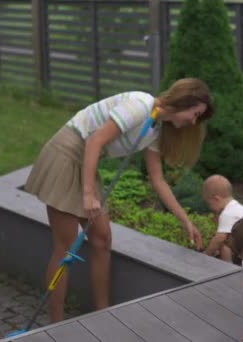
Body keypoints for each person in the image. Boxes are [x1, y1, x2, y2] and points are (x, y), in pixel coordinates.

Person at [24, 78, 215, 323]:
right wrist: (88, 193)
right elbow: (94, 140)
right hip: (67, 153)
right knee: (66, 245)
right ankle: (56, 324)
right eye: (195, 113)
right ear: (183, 102)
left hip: (86, 161)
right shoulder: (140, 105)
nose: (193, 121)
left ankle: (103, 314)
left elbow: (158, 180)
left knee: (102, 238)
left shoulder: (156, 127)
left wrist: (185, 221)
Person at [202, 174, 243, 263]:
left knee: (222, 242)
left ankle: (228, 267)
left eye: (210, 204)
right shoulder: (237, 207)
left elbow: (219, 239)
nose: (210, 208)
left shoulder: (227, 214)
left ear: (216, 199)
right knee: (226, 241)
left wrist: (206, 254)